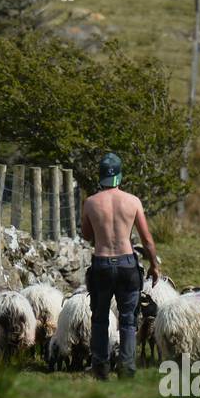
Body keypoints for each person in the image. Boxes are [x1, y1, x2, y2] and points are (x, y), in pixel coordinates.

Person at [79, 152, 161, 380]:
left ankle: (100, 369)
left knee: (100, 318)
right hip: (127, 264)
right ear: (120, 176)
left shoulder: (91, 202)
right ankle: (126, 369)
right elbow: (147, 240)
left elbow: (86, 235)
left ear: (101, 177)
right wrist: (154, 265)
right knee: (128, 319)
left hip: (102, 264)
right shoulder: (133, 201)